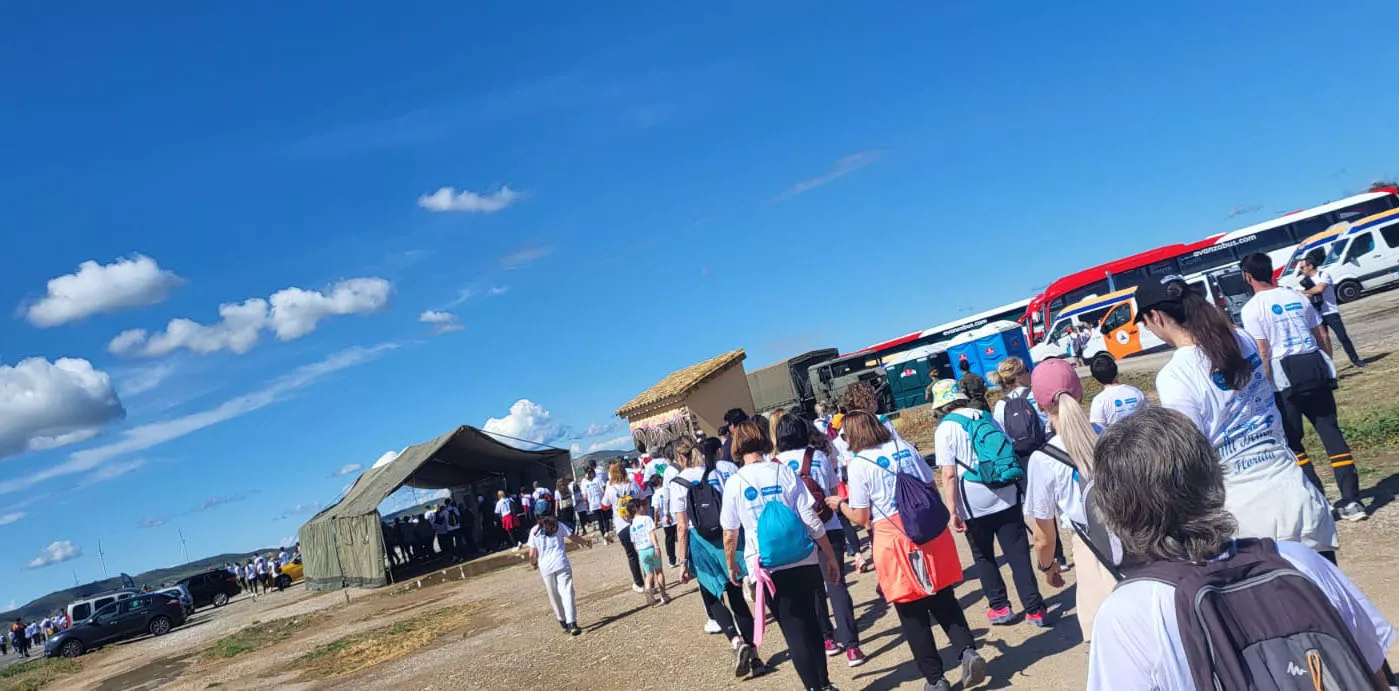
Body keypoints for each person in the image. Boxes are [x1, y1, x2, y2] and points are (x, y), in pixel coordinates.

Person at [1086, 407, 1394, 691]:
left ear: (1115, 509)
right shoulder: (1299, 561)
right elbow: (1371, 672)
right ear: (1213, 474)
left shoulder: (1128, 613)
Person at [1135, 273, 1338, 557]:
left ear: (1155, 316)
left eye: (1144, 322)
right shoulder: (1241, 338)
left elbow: (1190, 455)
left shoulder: (1175, 375)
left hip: (1246, 517)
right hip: (1297, 494)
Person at [831, 410, 986, 691]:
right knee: (944, 599)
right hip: (929, 532)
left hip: (894, 539)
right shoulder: (904, 447)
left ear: (852, 434)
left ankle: (935, 678)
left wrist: (840, 505)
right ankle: (967, 651)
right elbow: (929, 484)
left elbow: (862, 517)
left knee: (912, 613)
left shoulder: (858, 464)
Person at [1241, 252, 1368, 522]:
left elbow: (1262, 352)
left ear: (1247, 277)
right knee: (1331, 433)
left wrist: (1263, 387)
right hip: (1313, 364)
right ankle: (1353, 501)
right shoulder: (1298, 296)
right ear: (1272, 273)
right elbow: (1321, 334)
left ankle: (1318, 502)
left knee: (1293, 443)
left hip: (1283, 374)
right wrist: (1327, 365)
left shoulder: (1252, 308)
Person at [721, 420, 840, 691]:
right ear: (764, 440)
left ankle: (813, 687)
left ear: (737, 446)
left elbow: (730, 534)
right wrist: (829, 554)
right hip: (804, 558)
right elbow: (810, 517)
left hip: (767, 567)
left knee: (793, 629)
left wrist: (732, 566)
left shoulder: (734, 483)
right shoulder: (784, 473)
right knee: (811, 623)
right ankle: (825, 684)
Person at [930, 379, 1048, 628]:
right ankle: (1035, 608)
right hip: (1005, 491)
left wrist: (952, 510)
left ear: (941, 405)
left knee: (984, 556)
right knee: (1018, 553)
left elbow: (949, 474)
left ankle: (1000, 607)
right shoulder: (984, 415)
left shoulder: (945, 429)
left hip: (974, 500)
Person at [1022, 357, 1119, 640]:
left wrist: (1047, 567)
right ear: (1080, 393)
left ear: (1040, 406)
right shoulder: (1110, 436)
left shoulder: (1042, 460)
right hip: (1135, 539)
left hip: (1092, 548)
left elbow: (1043, 537)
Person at [775, 414, 867, 667]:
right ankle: (852, 647)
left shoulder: (776, 464)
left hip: (799, 536)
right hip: (830, 527)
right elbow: (834, 492)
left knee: (813, 589)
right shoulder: (819, 457)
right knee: (837, 586)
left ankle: (828, 639)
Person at [1299, 247, 1366, 368]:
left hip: (1330, 311)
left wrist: (1304, 292)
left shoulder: (1323, 275)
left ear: (1310, 266)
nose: (1301, 270)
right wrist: (1306, 293)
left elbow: (1320, 289)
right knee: (1323, 340)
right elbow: (1308, 294)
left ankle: (1355, 360)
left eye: (1302, 267)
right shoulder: (1305, 281)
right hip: (1317, 314)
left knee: (1342, 336)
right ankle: (1328, 365)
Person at [528, 514, 592, 636]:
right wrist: (585, 542)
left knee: (553, 594)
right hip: (561, 562)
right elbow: (573, 537)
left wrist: (534, 563)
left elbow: (532, 554)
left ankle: (562, 620)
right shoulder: (558, 525)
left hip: (545, 566)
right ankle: (572, 622)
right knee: (567, 591)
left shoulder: (534, 531)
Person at [603, 463, 647, 593]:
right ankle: (650, 581)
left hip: (622, 525)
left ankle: (639, 584)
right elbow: (643, 499)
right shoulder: (632, 484)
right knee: (644, 551)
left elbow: (604, 506)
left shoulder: (610, 489)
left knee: (631, 555)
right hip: (637, 522)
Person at [625, 497, 671, 605]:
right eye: (641, 505)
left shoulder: (632, 525)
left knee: (648, 574)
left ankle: (648, 590)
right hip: (650, 547)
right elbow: (652, 533)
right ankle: (663, 595)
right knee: (659, 571)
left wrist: (639, 550)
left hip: (641, 551)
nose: (643, 507)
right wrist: (657, 547)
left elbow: (634, 542)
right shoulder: (646, 519)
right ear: (637, 508)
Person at [1087, 352, 1146, 427]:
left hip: (1115, 438)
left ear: (1095, 378)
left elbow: (1097, 427)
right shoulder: (1135, 392)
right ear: (1116, 370)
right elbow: (1148, 413)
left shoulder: (1099, 401)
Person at [647, 475, 679, 568]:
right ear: (660, 480)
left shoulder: (655, 495)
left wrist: (656, 522)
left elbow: (656, 510)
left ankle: (672, 560)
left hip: (665, 520)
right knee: (680, 536)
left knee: (669, 540)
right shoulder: (668, 490)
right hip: (675, 516)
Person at [581, 468, 609, 542]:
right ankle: (607, 532)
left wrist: (587, 503)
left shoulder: (584, 483)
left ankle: (604, 536)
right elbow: (602, 491)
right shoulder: (597, 479)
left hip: (593, 504)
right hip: (601, 501)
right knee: (605, 517)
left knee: (599, 519)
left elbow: (584, 497)